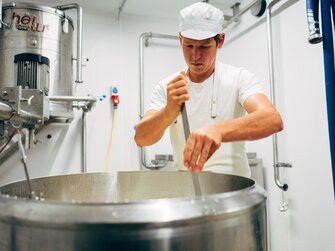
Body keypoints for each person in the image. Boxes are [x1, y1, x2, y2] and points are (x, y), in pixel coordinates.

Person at [134, 2, 283, 178]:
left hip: (233, 190)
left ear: (220, 41)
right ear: (180, 39)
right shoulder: (169, 86)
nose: (195, 56)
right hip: (187, 191)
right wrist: (168, 112)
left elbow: (272, 119)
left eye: (204, 47)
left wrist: (218, 130)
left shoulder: (238, 78)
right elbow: (141, 138)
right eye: (189, 46)